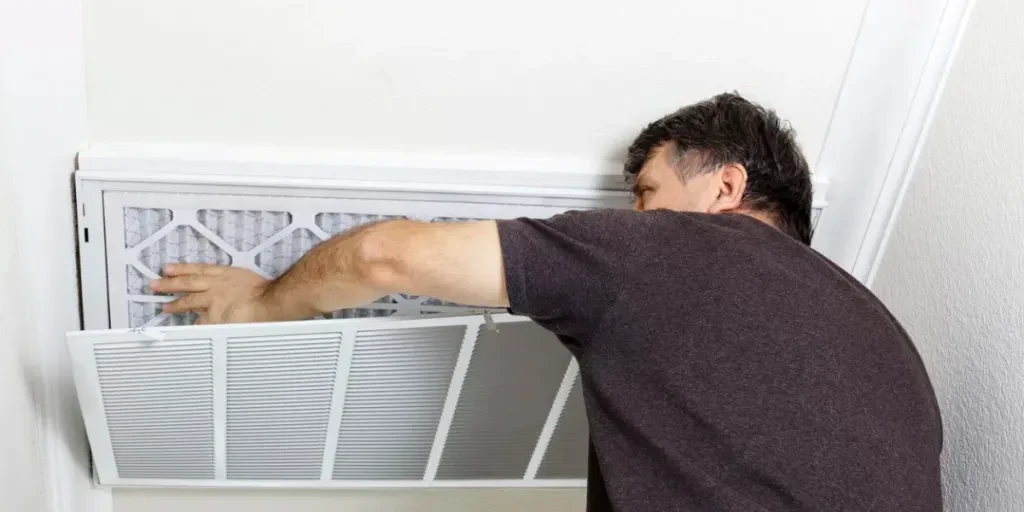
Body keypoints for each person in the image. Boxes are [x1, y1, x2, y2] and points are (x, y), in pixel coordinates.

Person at [152, 92, 943, 511]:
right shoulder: (889, 342)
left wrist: (259, 304)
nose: (636, 218)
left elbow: (383, 252)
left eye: (647, 193)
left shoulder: (672, 251)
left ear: (726, 186)